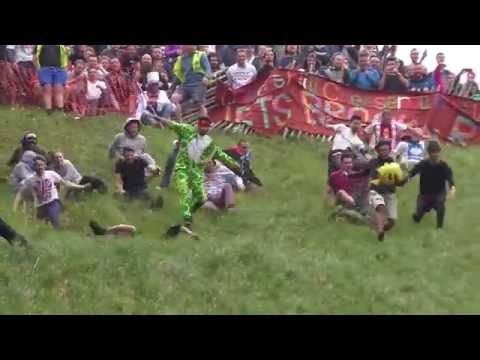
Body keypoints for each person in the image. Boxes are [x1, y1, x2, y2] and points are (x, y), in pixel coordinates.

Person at [152, 116, 241, 235]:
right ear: (197, 126)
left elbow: (219, 153)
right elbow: (171, 124)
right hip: (182, 169)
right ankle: (187, 219)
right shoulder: (186, 130)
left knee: (201, 198)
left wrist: (233, 163)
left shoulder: (208, 141)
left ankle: (191, 211)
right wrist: (158, 118)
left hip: (196, 171)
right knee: (184, 192)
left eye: (206, 128)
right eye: (202, 127)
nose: (204, 130)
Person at [13, 156, 90, 228]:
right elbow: (20, 193)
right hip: (40, 206)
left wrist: (81, 187)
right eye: (37, 165)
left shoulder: (51, 174)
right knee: (40, 226)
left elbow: (65, 183)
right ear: (34, 166)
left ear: (45, 165)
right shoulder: (30, 179)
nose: (39, 167)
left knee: (54, 219)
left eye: (41, 165)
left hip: (53, 202)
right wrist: (15, 208)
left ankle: (59, 232)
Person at [361, 140, 407, 241]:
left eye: (385, 150)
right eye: (381, 150)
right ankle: (380, 232)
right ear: (377, 151)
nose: (383, 152)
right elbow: (363, 171)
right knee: (380, 207)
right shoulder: (373, 162)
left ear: (389, 150)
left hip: (390, 193)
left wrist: (405, 179)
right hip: (376, 191)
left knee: (392, 220)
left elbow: (399, 182)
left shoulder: (394, 164)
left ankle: (381, 229)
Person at [407, 141, 455, 229]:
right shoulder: (423, 164)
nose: (435, 154)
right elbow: (412, 172)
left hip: (439, 192)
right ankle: (419, 214)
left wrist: (452, 188)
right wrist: (406, 178)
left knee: (440, 203)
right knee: (417, 216)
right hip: (425, 194)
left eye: (437, 152)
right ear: (429, 153)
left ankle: (439, 228)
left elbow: (450, 178)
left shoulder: (444, 166)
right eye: (433, 152)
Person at [170, 45, 212, 121]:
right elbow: (178, 76)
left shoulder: (201, 55)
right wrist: (172, 87)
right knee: (175, 98)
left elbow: (208, 69)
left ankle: (204, 123)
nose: (193, 46)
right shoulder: (181, 59)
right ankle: (180, 123)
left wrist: (206, 77)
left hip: (198, 84)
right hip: (185, 84)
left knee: (199, 104)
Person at [328, 152, 368, 224]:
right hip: (340, 201)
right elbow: (329, 191)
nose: (348, 165)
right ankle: (347, 211)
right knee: (341, 192)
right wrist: (329, 205)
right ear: (341, 163)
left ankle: (349, 214)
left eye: (350, 163)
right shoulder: (334, 175)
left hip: (354, 202)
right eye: (346, 163)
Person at [34, 45, 69, 114]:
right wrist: (39, 69)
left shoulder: (61, 46)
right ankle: (48, 110)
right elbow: (35, 58)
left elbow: (65, 58)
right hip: (45, 69)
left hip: (59, 69)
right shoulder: (39, 46)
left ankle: (60, 109)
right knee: (47, 87)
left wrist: (65, 69)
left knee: (59, 88)